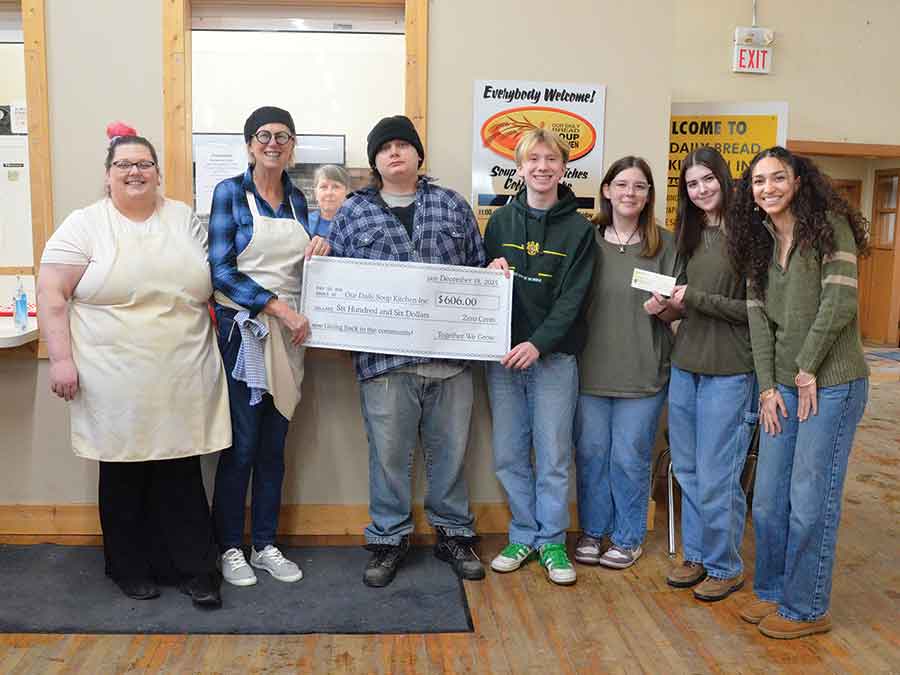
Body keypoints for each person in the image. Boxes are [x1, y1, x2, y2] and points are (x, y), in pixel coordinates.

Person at [37, 123, 229, 608]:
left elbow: (218, 278)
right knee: (124, 473)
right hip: (112, 375)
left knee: (181, 472)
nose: (135, 172)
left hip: (183, 368)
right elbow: (52, 293)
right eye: (124, 164)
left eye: (144, 163)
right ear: (108, 176)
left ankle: (194, 569)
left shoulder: (183, 218)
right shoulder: (84, 224)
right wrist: (60, 359)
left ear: (159, 174)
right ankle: (130, 567)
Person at [327, 115, 486, 587]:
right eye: (385, 148)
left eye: (403, 145)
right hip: (384, 364)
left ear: (419, 155)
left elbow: (476, 272)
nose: (395, 153)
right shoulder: (354, 212)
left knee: (451, 454)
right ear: (375, 161)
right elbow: (336, 281)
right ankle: (388, 540)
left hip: (450, 361)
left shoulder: (452, 205)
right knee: (388, 457)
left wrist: (493, 281)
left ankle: (454, 535)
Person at [728, 146, 870, 639]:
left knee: (811, 499)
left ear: (799, 181)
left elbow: (840, 301)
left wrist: (807, 368)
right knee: (767, 499)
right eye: (758, 181)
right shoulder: (757, 241)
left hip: (832, 385)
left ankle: (807, 607)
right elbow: (758, 322)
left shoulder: (830, 227)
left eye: (777, 178)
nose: (767, 188)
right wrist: (768, 387)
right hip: (785, 387)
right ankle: (772, 592)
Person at [208, 106, 329, 588]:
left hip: (291, 338)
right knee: (242, 445)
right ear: (250, 143)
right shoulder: (230, 194)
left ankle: (265, 544)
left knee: (275, 447)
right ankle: (229, 548)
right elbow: (219, 270)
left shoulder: (301, 203)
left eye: (283, 136)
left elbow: (309, 269)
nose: (273, 143)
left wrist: (322, 250)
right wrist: (275, 307)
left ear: (293, 145)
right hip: (245, 334)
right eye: (264, 135)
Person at [483, 129, 595, 585]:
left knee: (552, 455)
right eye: (534, 159)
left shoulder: (579, 230)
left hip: (553, 359)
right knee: (509, 453)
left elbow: (573, 300)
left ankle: (552, 541)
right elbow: (483, 290)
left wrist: (538, 344)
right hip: (503, 359)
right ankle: (523, 534)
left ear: (563, 168)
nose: (542, 167)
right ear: (520, 166)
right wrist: (487, 271)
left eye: (551, 159)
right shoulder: (499, 224)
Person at [573, 156, 679, 570]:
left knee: (630, 456)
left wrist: (665, 310)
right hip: (590, 370)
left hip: (643, 371)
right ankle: (593, 532)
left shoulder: (665, 245)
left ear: (649, 195)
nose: (629, 193)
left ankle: (628, 536)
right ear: (606, 190)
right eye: (622, 185)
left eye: (639, 186)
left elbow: (678, 313)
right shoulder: (587, 238)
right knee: (592, 454)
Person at [663, 147, 757, 601]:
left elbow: (757, 312)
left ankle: (725, 565)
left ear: (724, 179)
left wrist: (694, 299)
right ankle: (697, 556)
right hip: (686, 367)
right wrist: (665, 307)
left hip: (730, 372)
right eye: (692, 184)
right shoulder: (690, 233)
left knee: (719, 475)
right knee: (688, 471)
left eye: (708, 180)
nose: (701, 190)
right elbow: (684, 302)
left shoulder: (750, 235)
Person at [308, 164, 351, 238]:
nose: (329, 193)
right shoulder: (304, 224)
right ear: (316, 193)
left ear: (347, 192)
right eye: (323, 187)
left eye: (336, 187)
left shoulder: (357, 225)